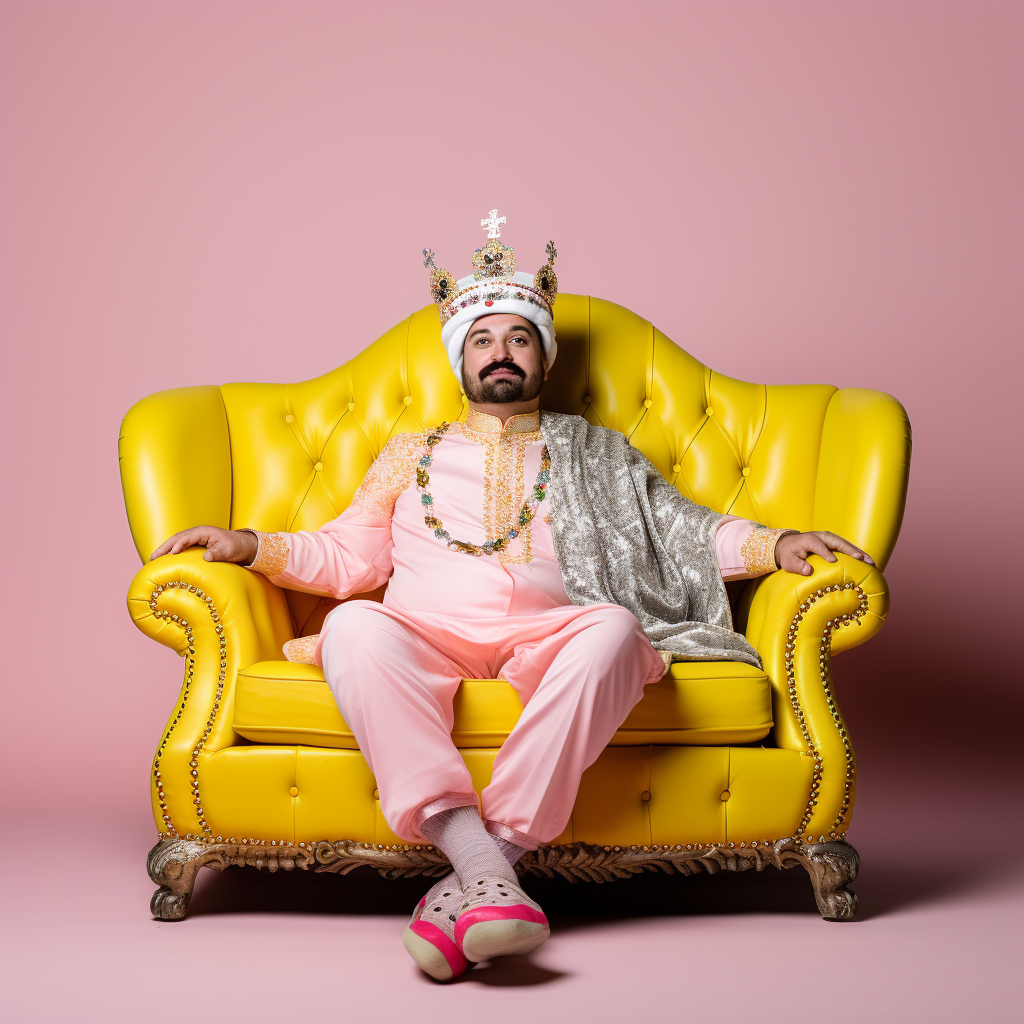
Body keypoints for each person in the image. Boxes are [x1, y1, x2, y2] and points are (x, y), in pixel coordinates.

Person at [151, 212, 873, 982]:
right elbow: (344, 557)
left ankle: (479, 876)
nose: (502, 354)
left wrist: (774, 544)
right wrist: (251, 547)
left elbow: (685, 532)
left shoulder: (596, 450)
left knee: (616, 630)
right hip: (423, 632)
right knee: (357, 625)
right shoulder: (411, 453)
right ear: (461, 358)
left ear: (544, 357)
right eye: (484, 341)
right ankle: (485, 872)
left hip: (553, 635)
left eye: (519, 339)